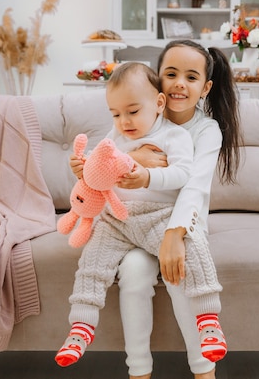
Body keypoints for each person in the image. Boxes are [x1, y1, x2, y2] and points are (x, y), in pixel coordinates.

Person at [55, 61, 228, 368]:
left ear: (158, 103)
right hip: (117, 220)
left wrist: (147, 176)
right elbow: (100, 165)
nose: (124, 121)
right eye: (116, 114)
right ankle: (81, 326)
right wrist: (86, 168)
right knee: (92, 262)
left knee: (194, 253)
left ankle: (208, 321)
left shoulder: (175, 136)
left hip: (157, 217)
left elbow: (183, 173)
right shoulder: (116, 135)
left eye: (132, 112)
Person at [117, 40, 241, 379]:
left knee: (178, 275)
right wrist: (132, 159)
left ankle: (204, 372)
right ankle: (138, 372)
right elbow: (106, 161)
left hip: (183, 226)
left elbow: (195, 187)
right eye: (170, 74)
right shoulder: (138, 117)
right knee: (132, 272)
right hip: (140, 227)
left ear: (205, 87)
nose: (179, 84)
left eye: (191, 76)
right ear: (158, 78)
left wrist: (174, 235)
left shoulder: (206, 129)